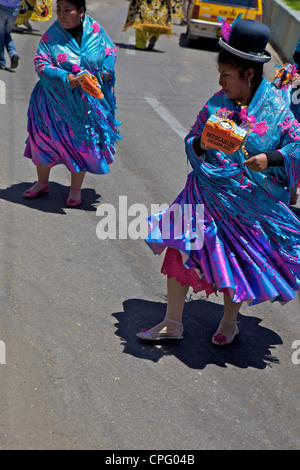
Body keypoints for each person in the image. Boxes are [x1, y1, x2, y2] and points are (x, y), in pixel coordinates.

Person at [137, 19, 300, 345]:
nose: (220, 82)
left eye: (226, 75)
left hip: (247, 203)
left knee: (235, 260)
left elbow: (296, 146)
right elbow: (192, 139)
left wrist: (271, 158)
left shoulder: (278, 111)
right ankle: (172, 321)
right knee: (179, 247)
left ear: (248, 74)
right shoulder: (216, 103)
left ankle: (229, 321)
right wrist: (201, 144)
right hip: (202, 192)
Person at [23, 0, 121, 207]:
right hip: (52, 101)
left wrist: (105, 71)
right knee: (43, 139)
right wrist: (67, 78)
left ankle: (75, 190)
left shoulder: (95, 30)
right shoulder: (51, 36)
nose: (62, 14)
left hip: (85, 104)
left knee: (82, 143)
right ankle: (42, 183)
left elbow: (110, 52)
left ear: (81, 12)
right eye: (59, 10)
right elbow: (40, 62)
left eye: (68, 10)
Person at [0, 0, 20, 69]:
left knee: (1, 35)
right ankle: (13, 53)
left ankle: (1, 61)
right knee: (6, 34)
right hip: (14, 10)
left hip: (2, 7)